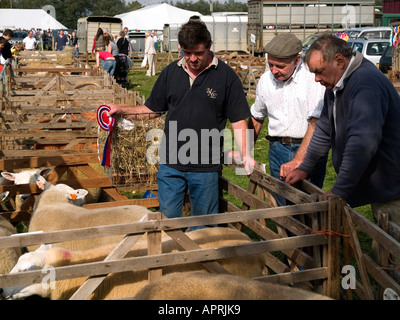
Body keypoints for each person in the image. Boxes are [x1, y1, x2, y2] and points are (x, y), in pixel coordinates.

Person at [106, 19, 255, 229]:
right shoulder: (171, 72)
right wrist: (123, 111)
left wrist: (247, 155)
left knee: (203, 228)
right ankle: (171, 261)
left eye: (198, 53)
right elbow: (152, 109)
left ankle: (199, 262)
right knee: (167, 225)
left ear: (208, 47)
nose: (193, 59)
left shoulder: (225, 76)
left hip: (205, 166)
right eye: (187, 53)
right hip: (170, 164)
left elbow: (239, 119)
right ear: (180, 48)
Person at [285, 33, 400, 240]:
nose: (316, 79)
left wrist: (340, 190)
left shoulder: (365, 85)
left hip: (393, 187)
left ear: (339, 61)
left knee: (391, 254)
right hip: (382, 185)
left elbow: (362, 142)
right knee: (384, 246)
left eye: (319, 71)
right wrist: (305, 167)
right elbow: (324, 129)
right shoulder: (337, 84)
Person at [248, 34, 327, 207]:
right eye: (271, 64)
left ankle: (309, 234)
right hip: (276, 149)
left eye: (280, 66)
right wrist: (246, 152)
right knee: (283, 205)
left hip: (307, 149)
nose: (274, 70)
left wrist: (299, 159)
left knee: (307, 205)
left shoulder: (312, 79)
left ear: (297, 60)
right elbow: (257, 116)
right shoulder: (266, 80)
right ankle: (288, 234)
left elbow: (317, 123)